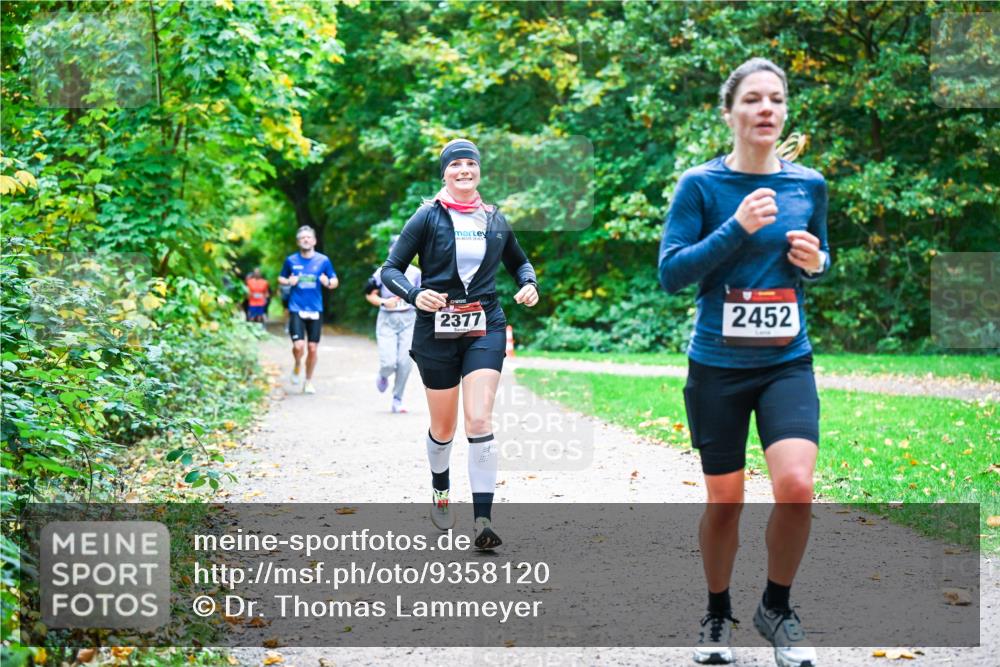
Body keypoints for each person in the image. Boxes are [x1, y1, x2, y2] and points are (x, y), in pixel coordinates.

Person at [658, 58, 829, 667]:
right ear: (728, 112)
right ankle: (716, 612)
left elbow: (821, 256)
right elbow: (672, 274)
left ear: (784, 111)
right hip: (717, 367)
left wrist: (816, 262)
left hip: (787, 360)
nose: (766, 109)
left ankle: (777, 608)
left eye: (776, 100)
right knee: (725, 503)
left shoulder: (808, 185)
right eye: (752, 99)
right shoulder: (700, 187)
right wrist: (735, 227)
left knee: (796, 487)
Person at [381, 139, 539, 549]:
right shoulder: (426, 217)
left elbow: (519, 261)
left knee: (480, 420)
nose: (464, 170)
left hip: (485, 324)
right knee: (444, 426)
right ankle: (440, 489)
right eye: (456, 165)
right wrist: (416, 295)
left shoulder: (495, 219)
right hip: (436, 330)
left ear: (479, 171)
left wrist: (528, 283)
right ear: (445, 173)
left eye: (471, 163)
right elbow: (391, 269)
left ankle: (483, 520)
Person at [278, 226, 339, 394]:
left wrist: (327, 282)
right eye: (302, 238)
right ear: (298, 242)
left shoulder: (323, 261)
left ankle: (308, 381)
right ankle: (297, 364)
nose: (305, 240)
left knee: (312, 348)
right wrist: (288, 281)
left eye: (308, 237)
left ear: (314, 241)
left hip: (315, 308)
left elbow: (335, 282)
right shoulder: (291, 260)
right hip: (296, 307)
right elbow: (281, 278)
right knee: (299, 346)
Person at [365, 236, 422, 413]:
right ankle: (383, 374)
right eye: (395, 248)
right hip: (387, 320)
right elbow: (369, 294)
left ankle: (397, 398)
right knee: (389, 362)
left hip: (408, 320)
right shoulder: (382, 272)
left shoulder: (416, 273)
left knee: (405, 362)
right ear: (390, 251)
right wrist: (384, 302)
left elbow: (423, 295)